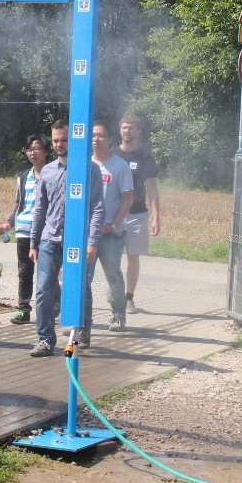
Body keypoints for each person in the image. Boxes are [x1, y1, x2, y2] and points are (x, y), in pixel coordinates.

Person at [28, 120, 104, 357]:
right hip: (50, 238)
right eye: (56, 140)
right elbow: (39, 209)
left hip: (77, 241)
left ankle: (82, 328)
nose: (60, 144)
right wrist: (33, 242)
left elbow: (98, 207)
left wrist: (92, 242)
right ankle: (45, 339)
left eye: (64, 140)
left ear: (74, 139)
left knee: (81, 285)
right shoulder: (48, 171)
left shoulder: (89, 169)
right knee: (43, 289)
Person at [0, 135, 51, 325]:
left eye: (37, 148)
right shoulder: (23, 177)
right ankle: (24, 309)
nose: (32, 152)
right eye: (29, 149)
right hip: (24, 231)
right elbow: (19, 205)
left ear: (46, 151)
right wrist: (8, 225)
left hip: (46, 231)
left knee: (47, 272)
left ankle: (53, 304)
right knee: (24, 272)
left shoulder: (54, 173)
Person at [90, 119, 134, 334]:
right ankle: (79, 319)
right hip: (87, 233)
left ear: (110, 140)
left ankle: (118, 314)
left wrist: (114, 225)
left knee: (113, 275)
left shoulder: (120, 166)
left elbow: (127, 199)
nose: (95, 139)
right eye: (93, 135)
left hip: (110, 233)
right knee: (83, 276)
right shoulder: (84, 163)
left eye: (100, 135)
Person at [116, 113, 160, 314]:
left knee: (133, 256)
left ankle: (128, 298)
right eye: (125, 127)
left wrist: (156, 217)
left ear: (138, 132)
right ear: (120, 130)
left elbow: (152, 188)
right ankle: (115, 292)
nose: (127, 131)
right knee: (111, 256)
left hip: (137, 214)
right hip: (115, 216)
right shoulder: (111, 155)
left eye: (131, 128)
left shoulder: (145, 156)